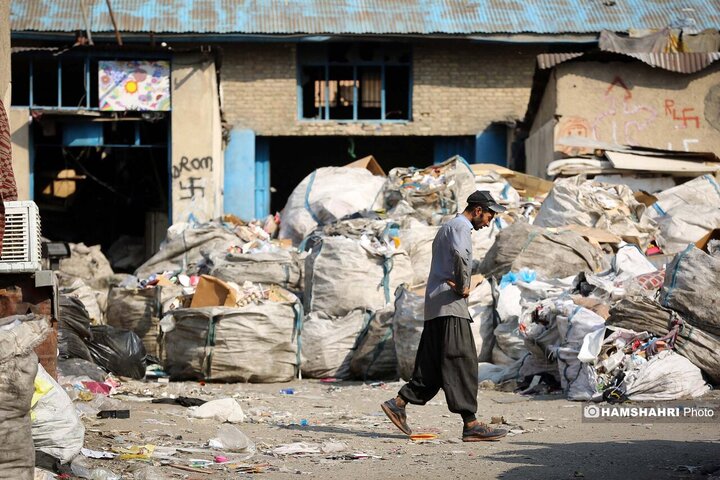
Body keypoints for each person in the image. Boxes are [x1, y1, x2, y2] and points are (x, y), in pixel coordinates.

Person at [381, 190, 508, 442]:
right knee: (463, 361)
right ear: (478, 210)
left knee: (433, 365)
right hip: (450, 307)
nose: (488, 222)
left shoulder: (448, 227)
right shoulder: (461, 227)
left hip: (436, 306)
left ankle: (398, 403)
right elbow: (462, 256)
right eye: (489, 216)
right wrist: (463, 286)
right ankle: (471, 424)